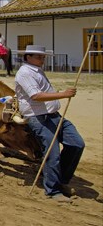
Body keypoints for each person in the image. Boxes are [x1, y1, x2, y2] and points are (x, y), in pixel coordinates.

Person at [15, 45, 84, 203]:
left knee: (77, 144)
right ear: (28, 57)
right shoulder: (25, 73)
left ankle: (60, 181)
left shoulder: (37, 71)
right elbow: (36, 95)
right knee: (53, 153)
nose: (42, 59)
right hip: (38, 118)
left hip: (54, 116)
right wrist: (63, 94)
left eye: (43, 57)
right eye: (39, 57)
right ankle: (52, 190)